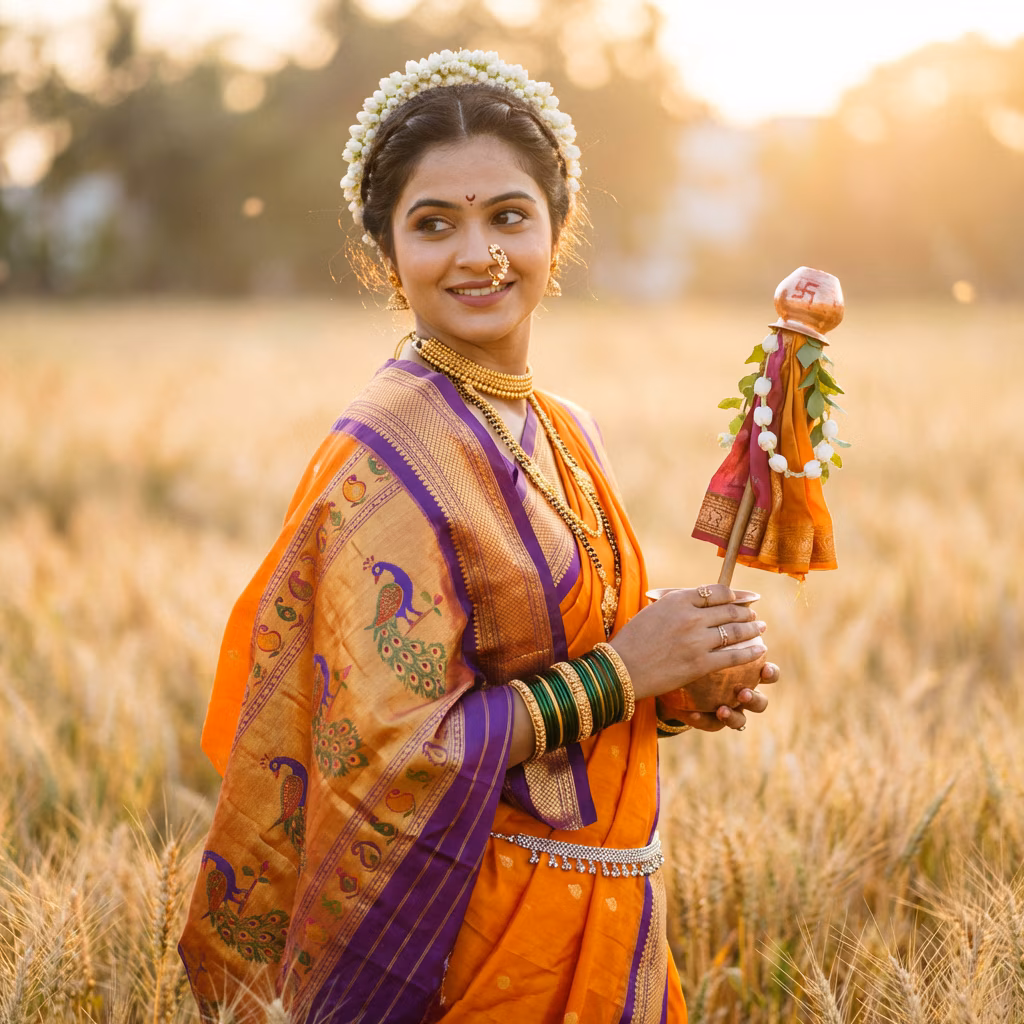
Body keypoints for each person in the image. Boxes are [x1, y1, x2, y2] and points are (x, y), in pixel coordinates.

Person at [178, 48, 780, 1024]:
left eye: (508, 215)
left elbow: (566, 674)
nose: (477, 253)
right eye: (433, 224)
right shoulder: (382, 452)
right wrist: (627, 674)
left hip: (609, 919)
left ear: (556, 228)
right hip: (462, 942)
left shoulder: (565, 429)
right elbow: (388, 747)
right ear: (386, 253)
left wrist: (676, 687)